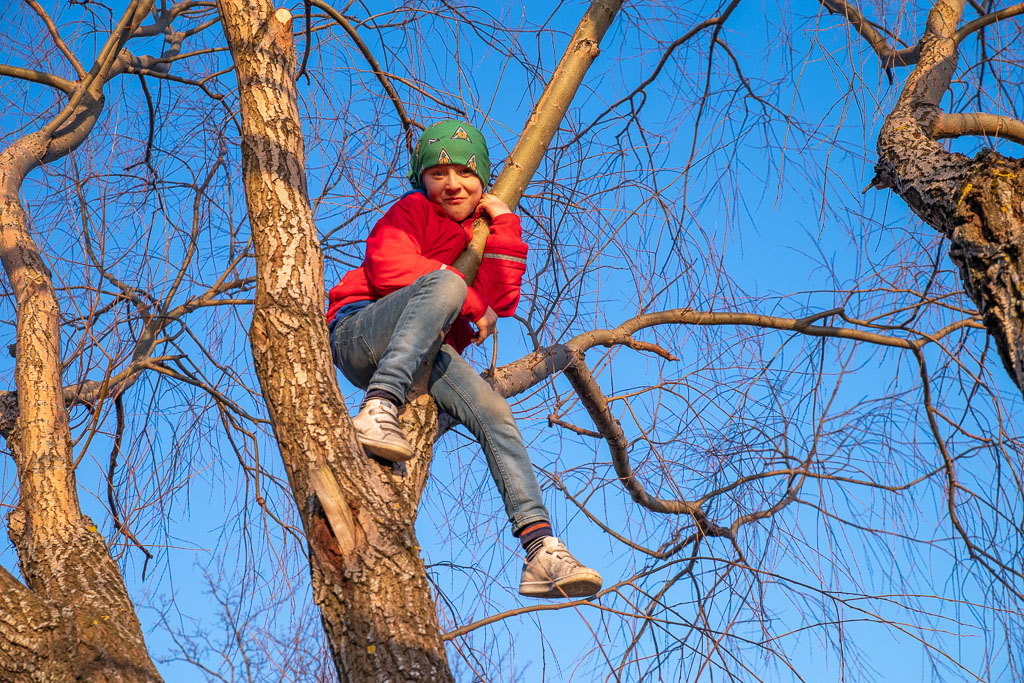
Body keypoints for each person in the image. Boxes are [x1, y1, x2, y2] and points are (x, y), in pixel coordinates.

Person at [326, 120, 602, 599]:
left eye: (465, 173)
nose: (452, 183)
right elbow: (389, 268)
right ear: (422, 181)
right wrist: (468, 298)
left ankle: (540, 549)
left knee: (495, 414)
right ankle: (378, 406)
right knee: (451, 283)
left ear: (483, 181)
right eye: (438, 173)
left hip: (425, 351)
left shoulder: (480, 229)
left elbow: (500, 301)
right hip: (361, 330)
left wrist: (504, 224)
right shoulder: (413, 210)